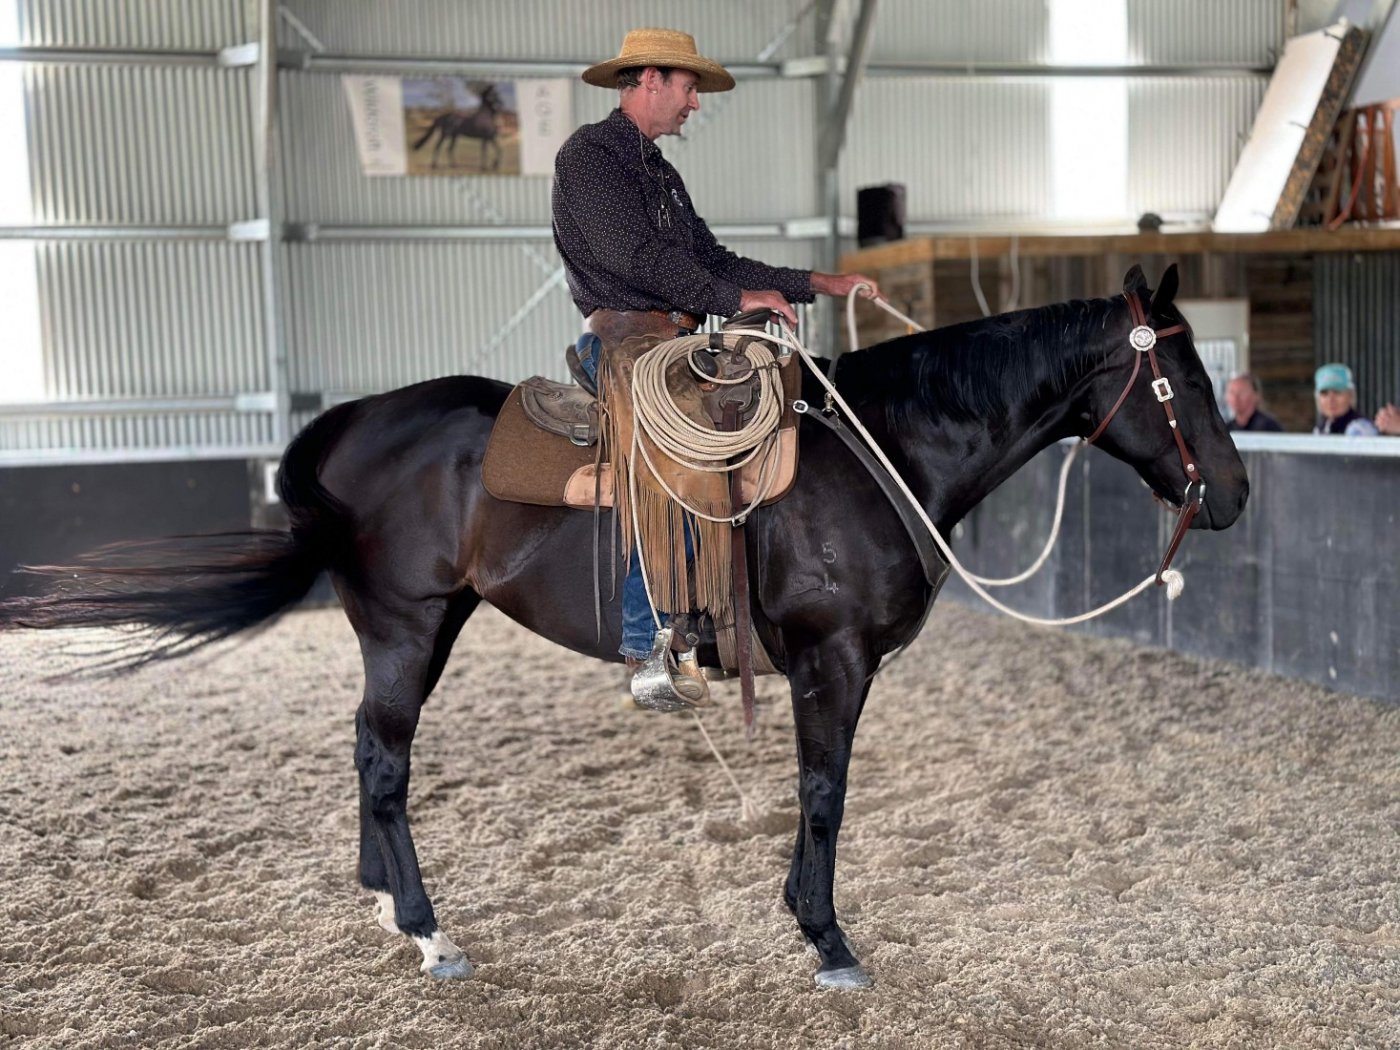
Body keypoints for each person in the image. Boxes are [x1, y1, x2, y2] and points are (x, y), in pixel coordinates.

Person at [551, 27, 882, 698]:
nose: (695, 103)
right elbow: (636, 260)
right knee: (677, 442)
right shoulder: (589, 157)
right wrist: (733, 298)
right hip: (625, 344)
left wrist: (816, 282)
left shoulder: (660, 173)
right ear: (650, 80)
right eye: (688, 86)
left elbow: (713, 259)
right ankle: (650, 644)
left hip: (676, 341)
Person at [1312, 363, 1379, 436]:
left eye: (1337, 392)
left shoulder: (1361, 429)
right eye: (1324, 394)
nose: (1330, 400)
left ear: (1350, 396)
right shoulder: (1320, 429)